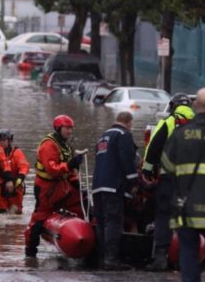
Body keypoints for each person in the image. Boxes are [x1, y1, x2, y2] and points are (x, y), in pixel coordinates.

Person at [161, 87, 205, 282]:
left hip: (187, 209)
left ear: (196, 106)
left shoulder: (180, 134)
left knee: (189, 254)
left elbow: (166, 168)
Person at [142, 93, 195, 271]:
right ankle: (190, 259)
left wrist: (147, 171)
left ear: (173, 106)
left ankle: (161, 258)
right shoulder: (203, 125)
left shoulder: (169, 122)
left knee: (164, 216)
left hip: (170, 179)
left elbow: (153, 147)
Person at [24, 115, 84, 258]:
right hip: (47, 190)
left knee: (83, 204)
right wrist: (70, 164)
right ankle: (30, 251)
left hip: (62, 187)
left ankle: (85, 241)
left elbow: (67, 171)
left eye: (71, 129)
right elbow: (52, 169)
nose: (70, 132)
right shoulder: (49, 145)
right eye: (67, 128)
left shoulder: (66, 146)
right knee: (38, 219)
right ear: (58, 128)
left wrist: (75, 181)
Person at [92, 111, 138, 270]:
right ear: (129, 123)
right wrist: (134, 181)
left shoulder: (102, 137)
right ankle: (111, 259)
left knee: (102, 222)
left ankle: (101, 258)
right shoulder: (124, 135)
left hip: (97, 186)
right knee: (113, 222)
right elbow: (127, 159)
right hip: (113, 186)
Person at [0, 129, 29, 214]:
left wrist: (20, 178)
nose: (0, 143)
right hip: (0, 185)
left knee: (15, 212)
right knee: (1, 212)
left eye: (3, 140)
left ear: (9, 141)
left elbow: (24, 166)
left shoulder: (17, 152)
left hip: (15, 186)